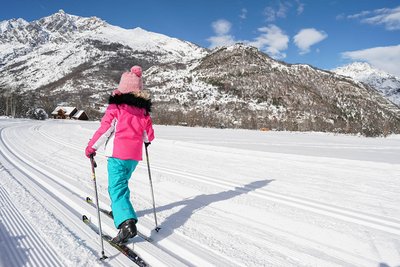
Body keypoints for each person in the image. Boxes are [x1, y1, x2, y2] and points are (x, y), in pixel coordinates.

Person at [85, 65, 154, 244]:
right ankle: (120, 209)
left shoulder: (117, 108)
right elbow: (148, 134)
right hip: (134, 157)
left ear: (122, 89)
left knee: (117, 188)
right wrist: (146, 141)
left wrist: (91, 147)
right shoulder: (143, 111)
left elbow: (105, 129)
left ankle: (126, 223)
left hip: (117, 154)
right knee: (121, 184)